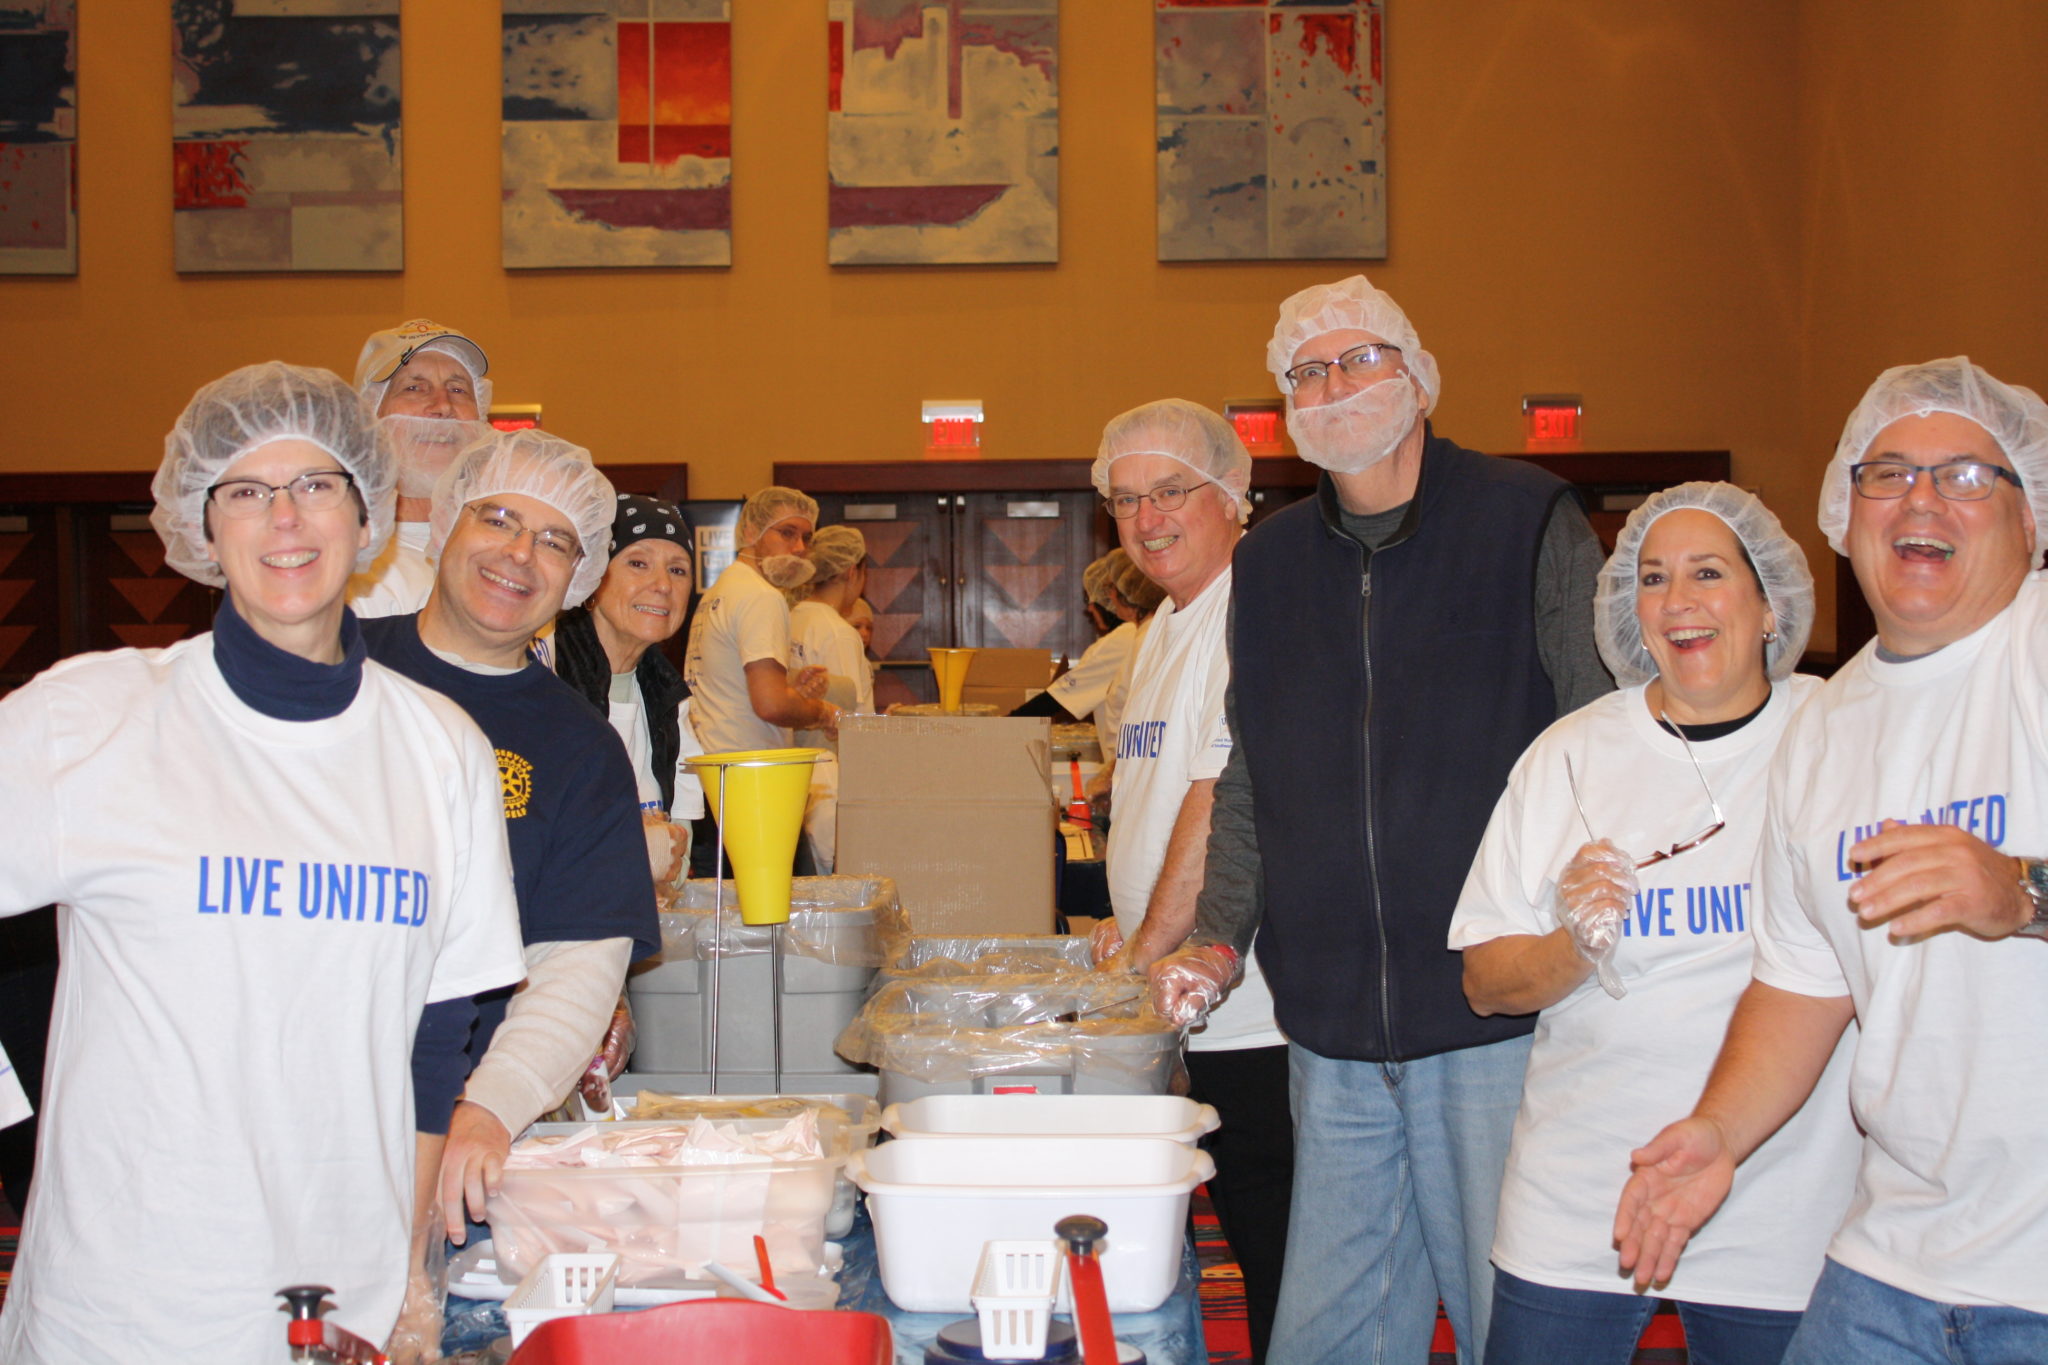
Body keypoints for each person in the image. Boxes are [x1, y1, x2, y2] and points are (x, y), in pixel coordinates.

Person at [0, 363, 525, 1360]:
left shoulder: (437, 748)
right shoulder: (94, 718)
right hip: (123, 1310)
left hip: (338, 1310)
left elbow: (439, 1036)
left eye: (317, 484)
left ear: (366, 517)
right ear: (203, 528)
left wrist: (407, 1272)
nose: (286, 517)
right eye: (247, 490)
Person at [1147, 274, 1611, 1365]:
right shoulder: (1266, 567)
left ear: (1417, 376)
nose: (1333, 385)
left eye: (1358, 359)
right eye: (1307, 370)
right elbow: (1252, 775)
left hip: (1493, 1018)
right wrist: (1219, 938)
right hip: (1332, 1031)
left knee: (1518, 1326)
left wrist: (1571, 944)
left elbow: (1599, 742)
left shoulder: (1522, 520)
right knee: (1328, 1335)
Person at [1615, 358, 2048, 1364]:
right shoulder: (1823, 726)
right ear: (1842, 515)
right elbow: (1798, 980)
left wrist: (2021, 890)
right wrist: (1718, 1133)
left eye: (1966, 476)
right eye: (1885, 472)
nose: (1920, 499)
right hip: (1892, 1260)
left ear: (2031, 516)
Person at [1449, 483, 1857, 1364]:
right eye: (1654, 578)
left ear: (1769, 602)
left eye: (1708, 572)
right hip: (1581, 1195)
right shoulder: (1570, 755)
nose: (1679, 602)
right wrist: (1574, 944)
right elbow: (1484, 982)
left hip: (1783, 1199)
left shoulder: (1838, 732)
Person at [361, 430, 661, 1248]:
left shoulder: (580, 749)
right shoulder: (336, 672)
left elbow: (578, 965)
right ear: (446, 525)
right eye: (497, 518)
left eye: (555, 540)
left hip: (463, 1124)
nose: (520, 553)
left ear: (580, 576)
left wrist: (487, 1109)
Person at [1085, 399, 1294, 1363]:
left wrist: (1143, 957)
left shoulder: (1249, 611)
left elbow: (1216, 813)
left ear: (1233, 495)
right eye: (1125, 499)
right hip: (1178, 994)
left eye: (1171, 491)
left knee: (1273, 1248)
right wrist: (1123, 936)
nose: (1147, 518)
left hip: (1245, 1010)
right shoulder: (1170, 622)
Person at [682, 485, 840, 876]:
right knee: (777, 919)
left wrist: (794, 692)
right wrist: (822, 712)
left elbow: (735, 688)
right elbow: (768, 705)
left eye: (806, 537)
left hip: (712, 785)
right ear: (750, 530)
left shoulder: (719, 591)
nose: (800, 548)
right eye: (786, 533)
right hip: (754, 787)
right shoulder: (761, 597)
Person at [550, 492, 698, 896]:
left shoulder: (669, 697)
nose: (663, 585)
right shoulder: (549, 681)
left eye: (678, 570)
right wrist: (631, 848)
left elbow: (676, 864)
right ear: (592, 578)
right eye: (638, 563)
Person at [348, 319, 495, 617]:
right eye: (414, 387)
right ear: (370, 415)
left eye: (458, 389)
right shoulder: (353, 570)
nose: (442, 406)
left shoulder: (511, 552)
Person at [789, 524, 872, 871]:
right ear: (853, 571)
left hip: (797, 778)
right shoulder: (838, 633)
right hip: (834, 780)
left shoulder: (791, 617)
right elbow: (852, 723)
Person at [1013, 551, 1136, 724]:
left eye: (1093, 597)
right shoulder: (1146, 629)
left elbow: (1055, 700)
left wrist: (1003, 725)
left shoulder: (1126, 636)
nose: (1090, 609)